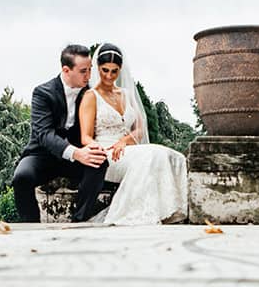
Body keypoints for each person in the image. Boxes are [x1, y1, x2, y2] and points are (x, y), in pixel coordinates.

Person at [78, 43, 188, 225]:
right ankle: (134, 214)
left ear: (120, 70)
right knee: (151, 155)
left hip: (127, 148)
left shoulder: (126, 94)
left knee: (165, 153)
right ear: (98, 68)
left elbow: (139, 128)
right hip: (106, 153)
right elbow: (85, 137)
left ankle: (167, 210)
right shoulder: (91, 96)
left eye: (114, 71)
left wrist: (125, 140)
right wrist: (102, 149)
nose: (109, 76)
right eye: (105, 70)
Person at [11, 44, 109, 222]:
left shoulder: (91, 94)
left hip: (76, 157)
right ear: (66, 70)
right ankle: (30, 227)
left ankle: (79, 221)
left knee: (99, 163)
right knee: (21, 177)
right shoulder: (43, 92)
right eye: (83, 71)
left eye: (90, 70)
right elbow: (43, 134)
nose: (89, 76)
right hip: (42, 155)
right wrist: (76, 153)